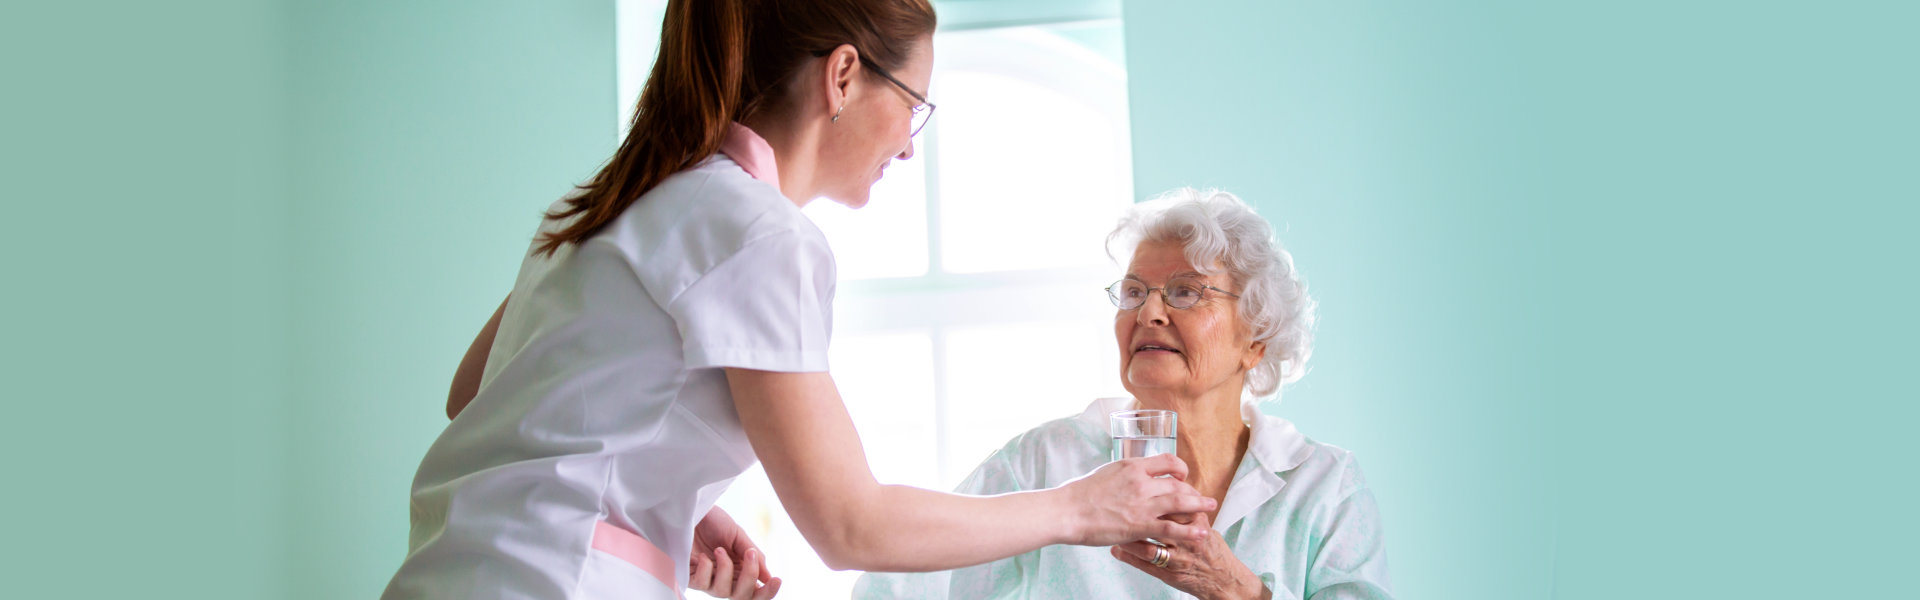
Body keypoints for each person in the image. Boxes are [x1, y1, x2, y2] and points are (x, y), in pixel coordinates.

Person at [380, 2, 1217, 599]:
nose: (909, 147)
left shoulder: (617, 199)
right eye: (915, 108)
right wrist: (1081, 506)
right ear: (844, 75)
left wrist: (669, 504)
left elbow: (476, 398)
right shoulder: (760, 233)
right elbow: (851, 525)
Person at [855, 188, 1394, 599]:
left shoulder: (1324, 489)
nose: (1149, 312)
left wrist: (1237, 591)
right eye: (1134, 291)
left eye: (1186, 291)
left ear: (1255, 340)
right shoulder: (1046, 463)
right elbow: (893, 586)